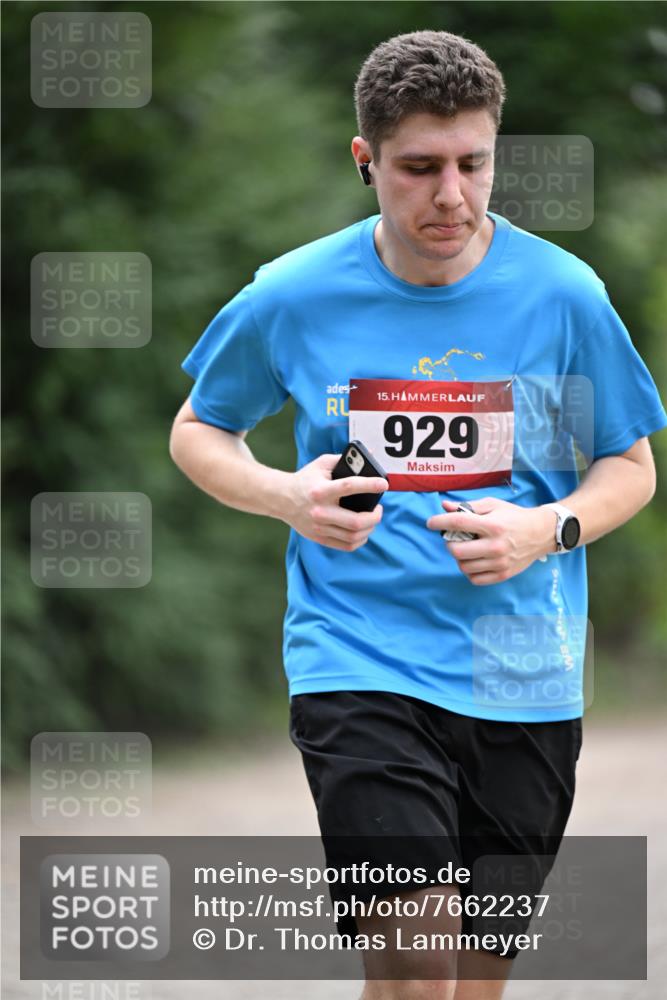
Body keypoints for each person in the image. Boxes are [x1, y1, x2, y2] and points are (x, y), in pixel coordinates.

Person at [170, 29, 666, 1000]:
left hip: (521, 670)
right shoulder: (294, 295)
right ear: (366, 160)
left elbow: (628, 464)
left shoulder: (562, 295)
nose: (450, 195)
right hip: (357, 655)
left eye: (472, 164)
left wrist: (543, 529)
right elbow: (199, 429)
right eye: (418, 167)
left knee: (472, 981)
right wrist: (288, 495)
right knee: (414, 960)